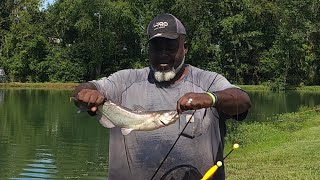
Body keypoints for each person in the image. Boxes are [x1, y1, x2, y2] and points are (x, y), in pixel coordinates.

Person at [72, 13, 251, 180]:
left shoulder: (208, 81)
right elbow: (85, 89)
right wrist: (86, 93)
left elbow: (243, 101)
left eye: (170, 47)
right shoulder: (124, 81)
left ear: (185, 48)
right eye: (156, 47)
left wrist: (211, 98)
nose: (163, 54)